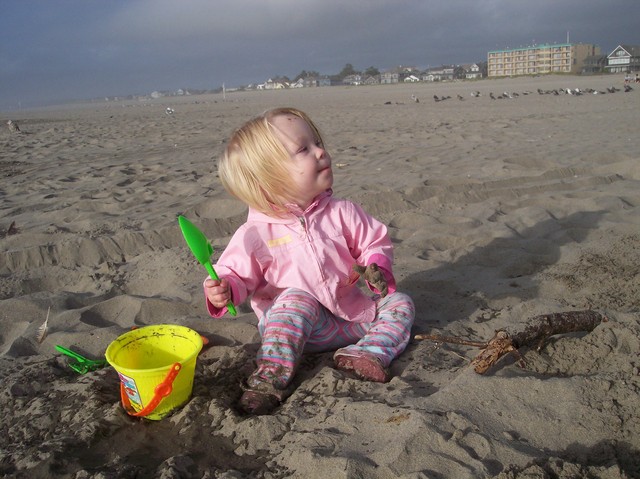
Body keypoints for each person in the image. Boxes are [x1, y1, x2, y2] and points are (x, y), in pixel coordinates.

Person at [203, 107, 415, 414]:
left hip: (348, 320)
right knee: (296, 298)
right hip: (291, 328)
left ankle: (366, 354)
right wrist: (225, 289)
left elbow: (373, 240)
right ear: (268, 178)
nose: (321, 152)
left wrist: (376, 264)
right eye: (304, 149)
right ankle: (269, 378)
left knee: (401, 302)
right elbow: (234, 272)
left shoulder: (342, 212)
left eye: (317, 142)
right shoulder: (256, 232)